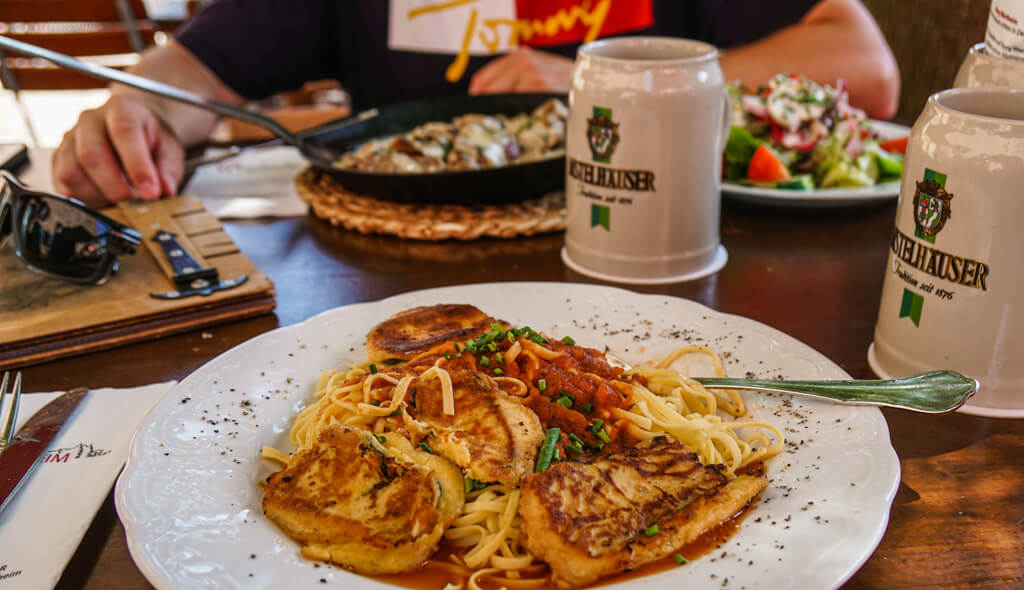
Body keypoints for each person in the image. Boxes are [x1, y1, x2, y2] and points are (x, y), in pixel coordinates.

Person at [52, 0, 900, 208]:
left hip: (652, 254)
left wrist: (607, 79)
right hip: (398, 290)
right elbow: (193, 71)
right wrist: (140, 113)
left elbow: (862, 64)